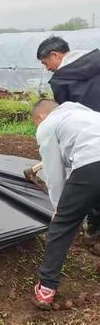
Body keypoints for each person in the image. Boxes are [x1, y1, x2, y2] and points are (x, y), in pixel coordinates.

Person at [32, 99, 100, 309]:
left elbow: (54, 173)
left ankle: (46, 288)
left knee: (62, 225)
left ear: (41, 116)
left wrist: (58, 208)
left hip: (93, 161)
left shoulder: (47, 125)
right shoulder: (81, 111)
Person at [37, 36, 100, 240]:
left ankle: (94, 228)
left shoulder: (62, 80)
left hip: (89, 142)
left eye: (46, 63)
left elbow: (65, 114)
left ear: (55, 55)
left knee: (89, 181)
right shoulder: (97, 59)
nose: (48, 69)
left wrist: (59, 207)